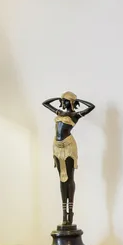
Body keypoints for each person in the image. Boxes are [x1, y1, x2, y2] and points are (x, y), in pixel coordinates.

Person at [42, 92, 96, 226]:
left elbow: (91, 107)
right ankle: (63, 212)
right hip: (57, 146)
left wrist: (77, 100)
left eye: (65, 101)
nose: (62, 102)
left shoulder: (75, 115)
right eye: (62, 100)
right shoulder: (59, 112)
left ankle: (70, 212)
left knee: (69, 178)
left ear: (71, 102)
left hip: (69, 146)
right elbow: (45, 103)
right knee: (61, 178)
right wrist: (58, 98)